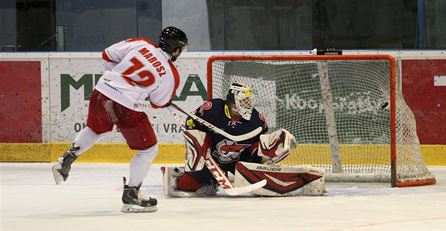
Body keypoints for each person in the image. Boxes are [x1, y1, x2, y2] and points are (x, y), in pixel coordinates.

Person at [52, 26, 188, 213]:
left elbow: (107, 55)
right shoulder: (171, 74)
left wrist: (119, 80)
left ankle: (66, 158)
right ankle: (131, 194)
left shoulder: (142, 44)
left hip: (103, 91)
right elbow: (158, 102)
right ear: (177, 50)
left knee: (95, 129)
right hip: (127, 106)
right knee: (148, 150)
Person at [163, 83, 324, 197]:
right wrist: (195, 135)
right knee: (188, 187)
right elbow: (191, 122)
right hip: (211, 159)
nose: (248, 104)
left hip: (241, 160)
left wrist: (274, 149)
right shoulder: (213, 108)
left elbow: (260, 142)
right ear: (233, 101)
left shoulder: (256, 119)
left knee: (274, 145)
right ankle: (179, 175)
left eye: (249, 101)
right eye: (244, 101)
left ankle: (263, 173)